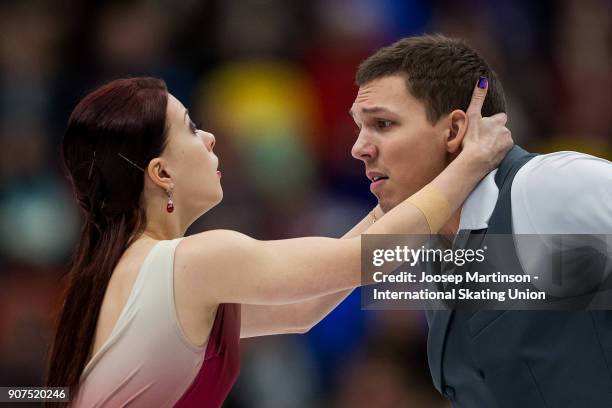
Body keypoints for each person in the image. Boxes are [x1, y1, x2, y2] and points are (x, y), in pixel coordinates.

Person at [44, 76, 510, 407]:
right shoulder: (192, 262)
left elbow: (302, 309)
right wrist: (471, 161)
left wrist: (402, 189)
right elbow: (357, 261)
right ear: (161, 173)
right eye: (189, 128)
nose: (208, 138)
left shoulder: (138, 274)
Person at [350, 34, 612, 407]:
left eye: (383, 123)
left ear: (455, 131)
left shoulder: (544, 186)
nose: (359, 147)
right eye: (359, 127)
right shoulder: (432, 246)